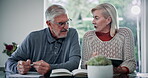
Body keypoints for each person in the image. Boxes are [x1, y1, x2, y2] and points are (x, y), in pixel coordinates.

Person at [5, 4, 81, 76]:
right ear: (49, 24)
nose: (66, 27)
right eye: (61, 24)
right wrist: (19, 68)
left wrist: (50, 68)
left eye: (67, 22)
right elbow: (10, 62)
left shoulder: (72, 33)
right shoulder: (33, 37)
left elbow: (74, 64)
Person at [81, 3, 136, 74]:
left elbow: (131, 62)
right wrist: (91, 62)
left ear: (108, 20)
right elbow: (83, 65)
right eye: (93, 18)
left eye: (96, 18)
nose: (93, 22)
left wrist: (118, 70)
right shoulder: (88, 36)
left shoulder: (125, 34)